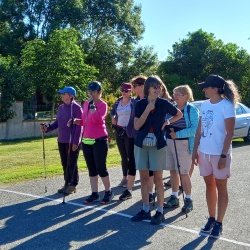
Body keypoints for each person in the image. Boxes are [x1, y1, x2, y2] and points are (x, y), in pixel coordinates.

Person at [192, 74, 240, 238]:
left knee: (221, 188)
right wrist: (195, 151)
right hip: (204, 153)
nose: (204, 89)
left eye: (206, 87)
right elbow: (199, 130)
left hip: (220, 154)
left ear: (215, 89)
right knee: (209, 186)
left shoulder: (227, 106)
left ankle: (219, 223)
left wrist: (223, 155)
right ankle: (211, 218)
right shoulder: (204, 105)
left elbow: (230, 133)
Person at [131, 75, 183, 225]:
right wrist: (147, 110)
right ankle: (146, 210)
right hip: (141, 144)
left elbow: (178, 114)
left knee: (158, 179)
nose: (158, 89)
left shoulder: (164, 103)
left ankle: (159, 212)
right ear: (148, 88)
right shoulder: (140, 104)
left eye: (160, 86)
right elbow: (136, 126)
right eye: (155, 87)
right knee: (144, 178)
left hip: (158, 144)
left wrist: (167, 121)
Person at [74, 81, 114, 204]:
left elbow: (97, 120)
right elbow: (86, 121)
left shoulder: (102, 105)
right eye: (89, 91)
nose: (90, 94)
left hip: (100, 140)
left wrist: (92, 106)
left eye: (93, 92)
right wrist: (76, 121)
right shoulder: (86, 104)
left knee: (101, 167)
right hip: (87, 140)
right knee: (91, 169)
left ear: (99, 92)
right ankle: (94, 193)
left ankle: (108, 192)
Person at [118, 76, 155, 202]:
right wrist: (128, 131)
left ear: (142, 86)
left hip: (146, 137)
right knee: (131, 163)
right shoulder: (134, 101)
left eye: (134, 86)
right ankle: (128, 190)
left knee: (148, 166)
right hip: (132, 136)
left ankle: (150, 193)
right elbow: (132, 118)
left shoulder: (149, 100)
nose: (132, 89)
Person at [40, 86, 83, 194]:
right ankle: (67, 183)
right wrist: (47, 128)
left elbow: (80, 126)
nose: (62, 95)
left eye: (64, 94)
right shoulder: (61, 107)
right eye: (62, 94)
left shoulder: (77, 108)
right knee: (64, 163)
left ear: (71, 95)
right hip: (62, 139)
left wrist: (76, 141)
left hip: (71, 140)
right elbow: (57, 123)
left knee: (71, 163)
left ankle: (73, 185)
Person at [163, 85, 199, 214]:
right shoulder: (172, 108)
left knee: (183, 172)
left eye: (178, 94)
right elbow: (165, 122)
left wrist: (178, 134)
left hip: (183, 143)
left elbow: (194, 129)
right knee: (173, 171)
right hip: (170, 142)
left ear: (185, 95)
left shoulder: (192, 110)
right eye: (174, 93)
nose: (175, 96)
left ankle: (188, 200)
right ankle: (174, 197)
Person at [110, 83, 134, 188]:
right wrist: (112, 117)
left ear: (130, 92)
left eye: (127, 91)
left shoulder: (133, 102)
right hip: (119, 130)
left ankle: (130, 178)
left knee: (130, 156)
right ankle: (125, 177)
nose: (124, 92)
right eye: (123, 90)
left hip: (129, 131)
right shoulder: (117, 102)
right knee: (123, 156)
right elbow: (112, 112)